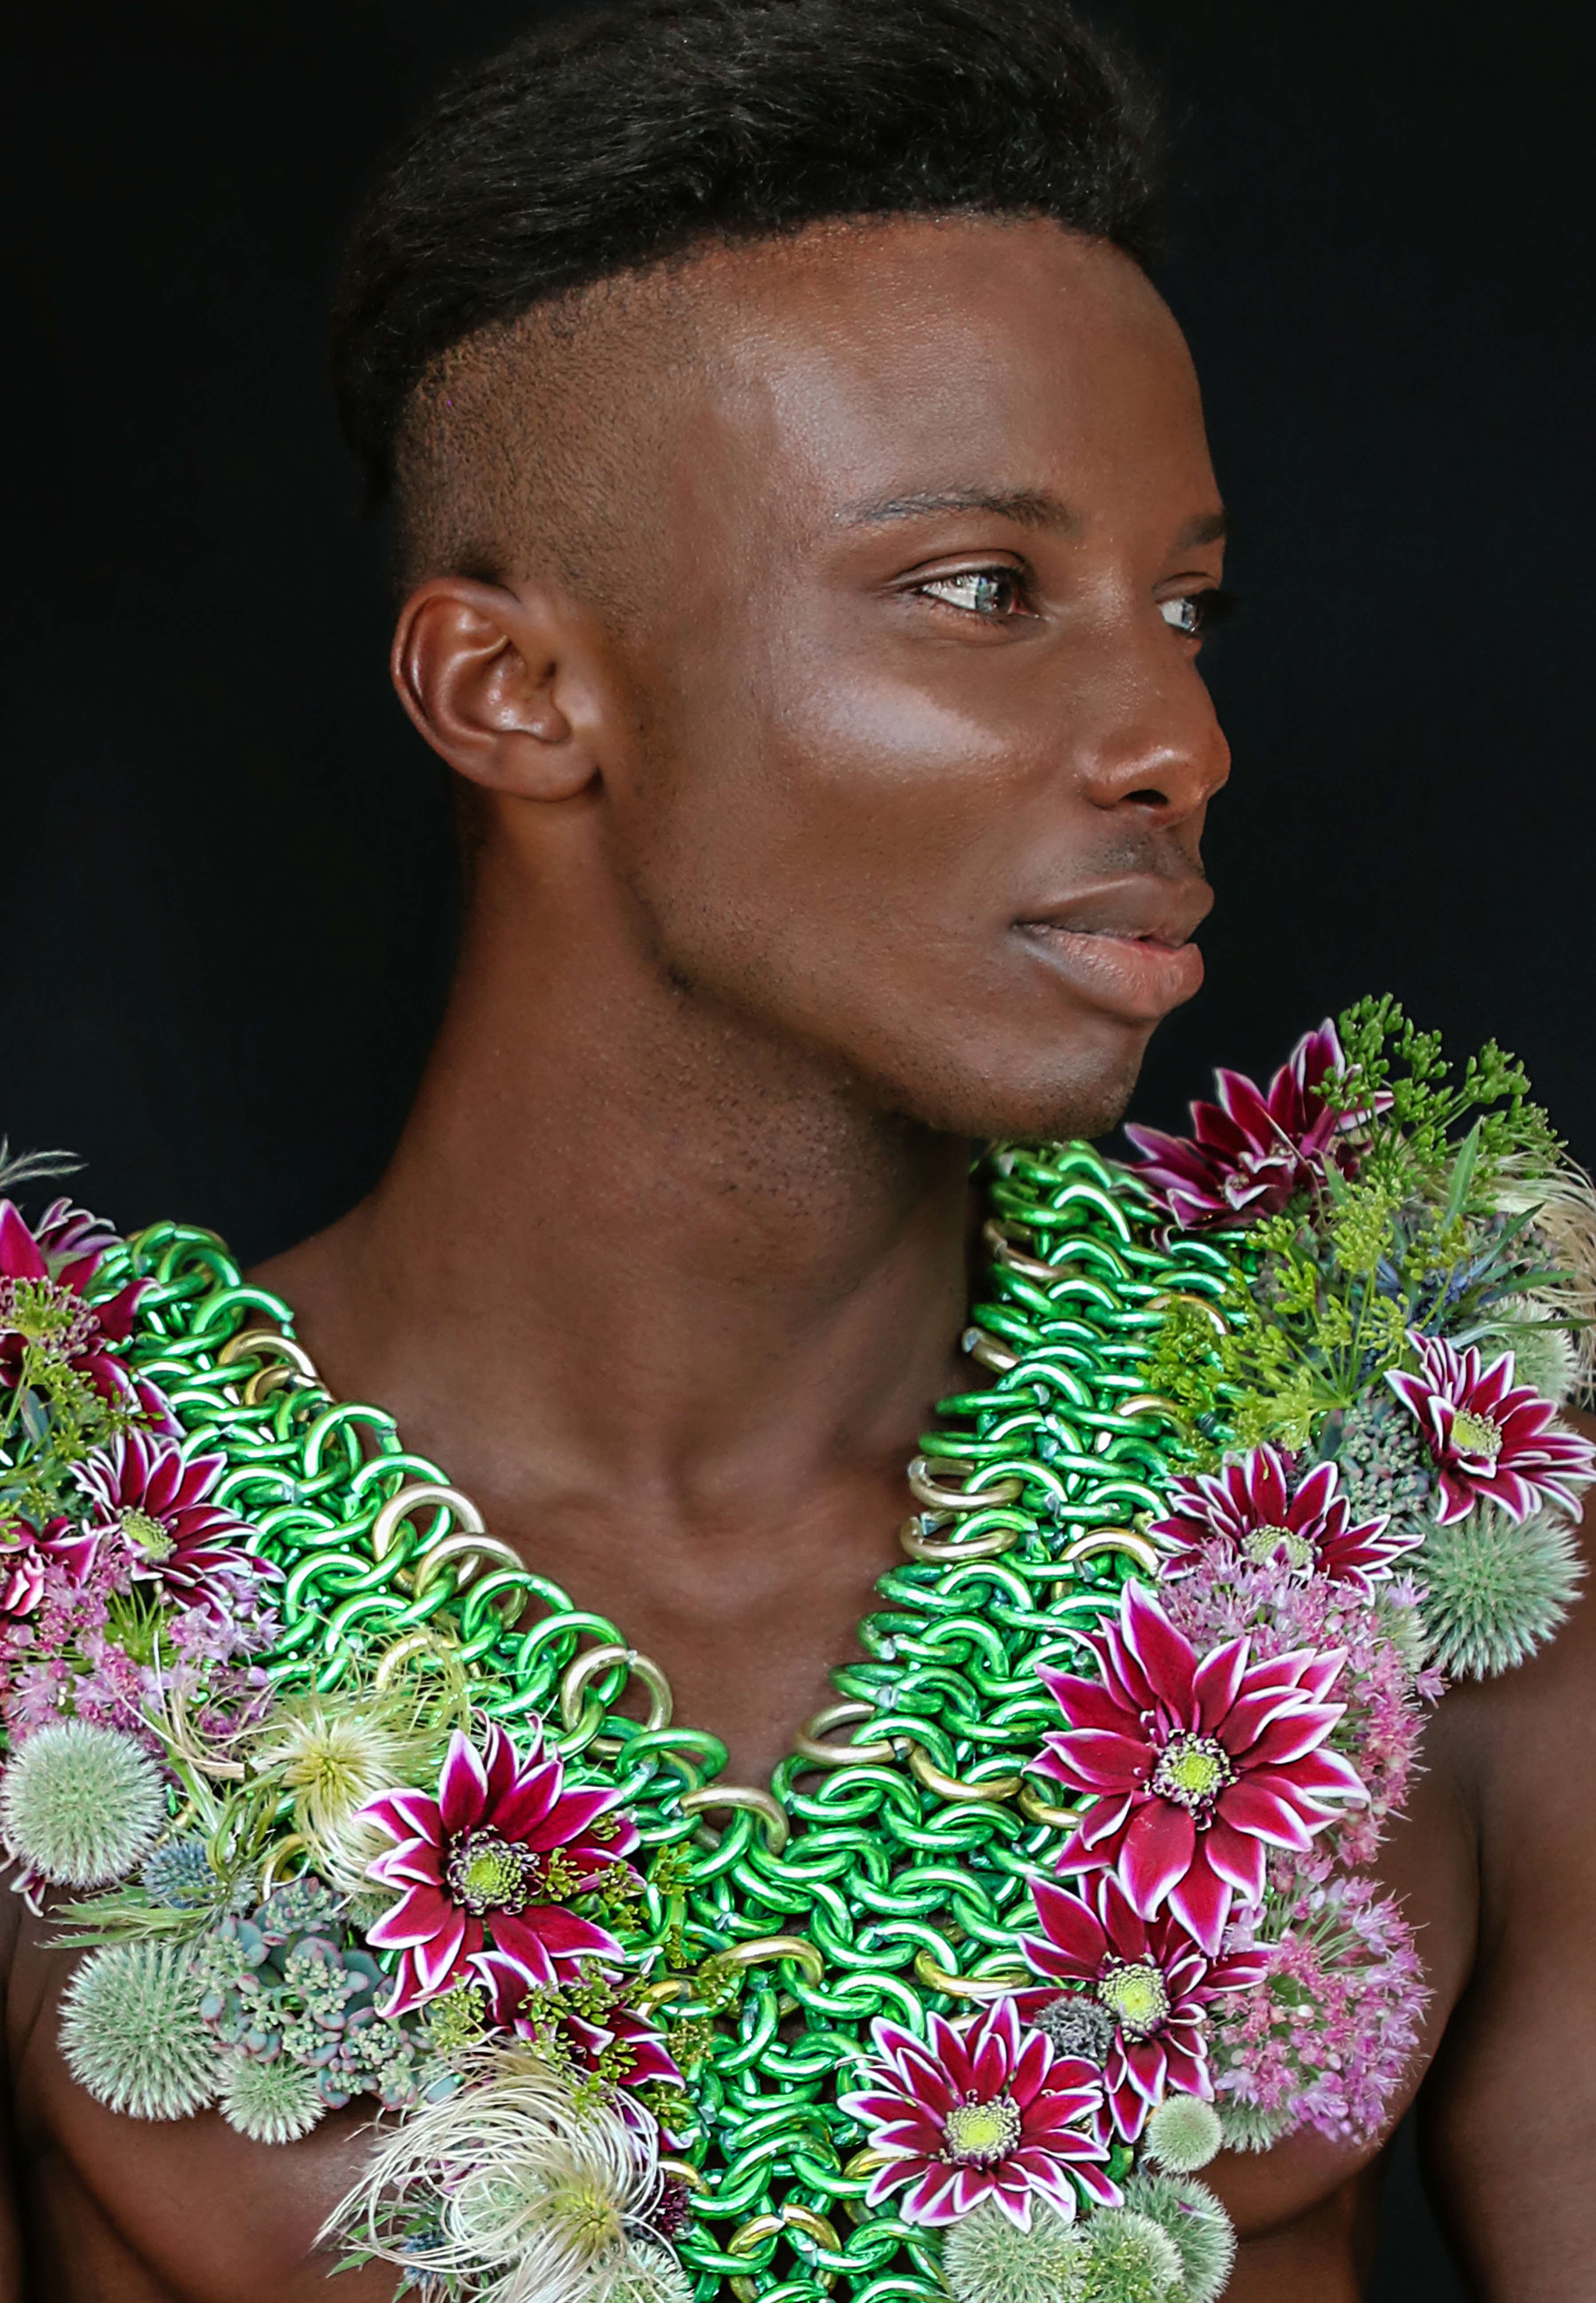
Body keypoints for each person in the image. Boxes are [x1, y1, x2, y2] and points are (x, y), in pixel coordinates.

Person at [2, 2, 1592, 2298]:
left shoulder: (1432, 1489)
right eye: (982, 588)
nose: (1179, 735)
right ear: (512, 690)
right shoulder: (66, 1568)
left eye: (1188, 606)